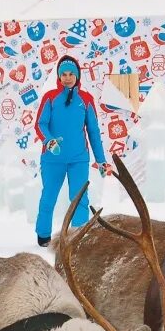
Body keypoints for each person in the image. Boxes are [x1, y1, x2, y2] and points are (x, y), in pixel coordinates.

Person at [33, 55, 109, 247]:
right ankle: (43, 237)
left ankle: (79, 237)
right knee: (49, 196)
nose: (67, 78)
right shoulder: (50, 98)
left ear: (77, 76)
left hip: (78, 159)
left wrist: (101, 160)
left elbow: (93, 131)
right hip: (52, 159)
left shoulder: (86, 100)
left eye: (71, 74)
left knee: (79, 198)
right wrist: (49, 142)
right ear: (59, 77)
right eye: (63, 74)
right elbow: (40, 124)